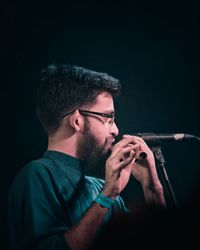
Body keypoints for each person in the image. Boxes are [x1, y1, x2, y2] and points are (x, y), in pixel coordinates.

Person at [8, 64, 166, 250]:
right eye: (108, 118)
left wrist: (153, 188)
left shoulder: (99, 186)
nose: (116, 130)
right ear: (77, 121)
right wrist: (108, 195)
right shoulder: (36, 175)